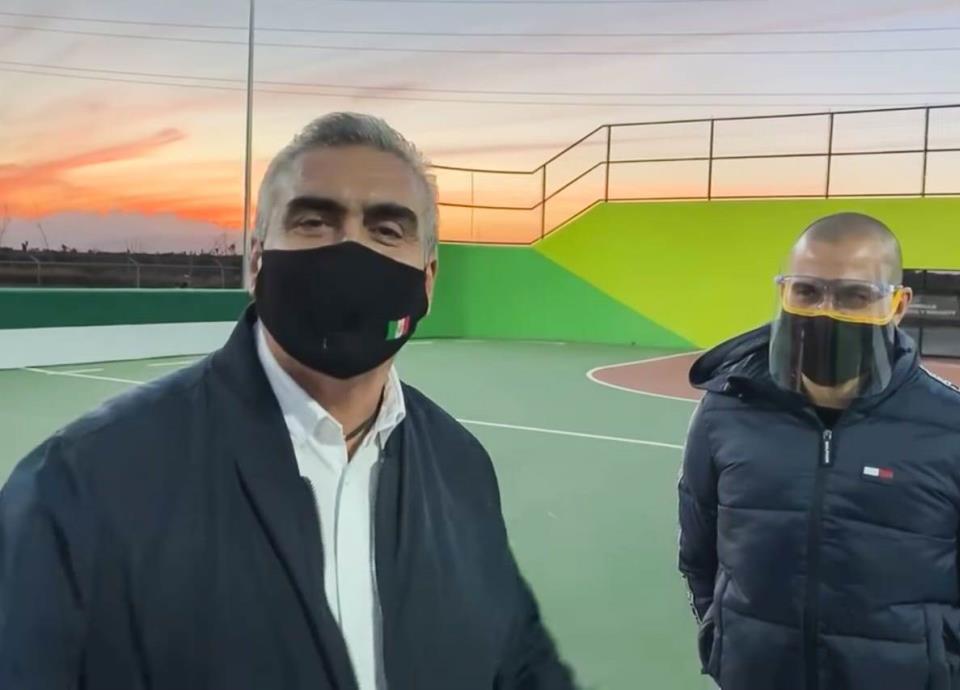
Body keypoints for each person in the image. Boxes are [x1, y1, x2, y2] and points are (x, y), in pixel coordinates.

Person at [0, 112, 578, 690]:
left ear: (427, 279)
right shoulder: (79, 486)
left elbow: (516, 662)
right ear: (256, 261)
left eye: (386, 230)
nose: (350, 250)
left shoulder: (461, 468)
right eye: (314, 222)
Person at [678, 212, 960, 690]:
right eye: (807, 292)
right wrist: (726, 635)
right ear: (784, 293)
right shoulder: (726, 410)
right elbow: (698, 550)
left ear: (898, 305)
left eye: (855, 296)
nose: (826, 311)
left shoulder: (949, 426)